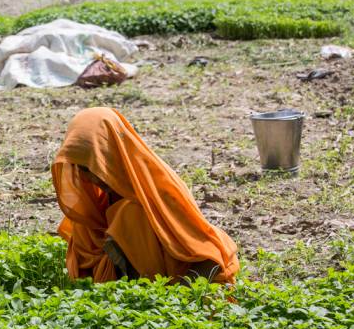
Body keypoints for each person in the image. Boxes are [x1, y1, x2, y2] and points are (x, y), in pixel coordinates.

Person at [52, 107, 240, 285]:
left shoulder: (159, 191)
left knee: (129, 215)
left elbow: (210, 260)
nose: (93, 178)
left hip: (182, 293)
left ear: (114, 154)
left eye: (98, 166)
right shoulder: (98, 204)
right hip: (131, 305)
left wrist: (172, 302)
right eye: (84, 169)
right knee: (85, 226)